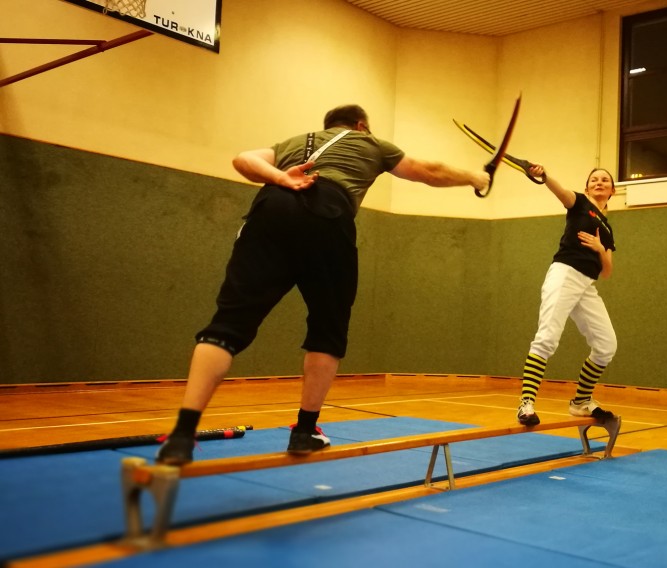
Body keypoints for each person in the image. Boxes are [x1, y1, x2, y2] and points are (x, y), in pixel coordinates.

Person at [156, 104, 489, 465]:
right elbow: (428, 171)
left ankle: (182, 434)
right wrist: (475, 177)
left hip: (269, 209)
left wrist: (282, 178)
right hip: (328, 214)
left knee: (228, 324)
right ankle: (305, 430)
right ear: (361, 126)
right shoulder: (371, 143)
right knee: (327, 328)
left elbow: (243, 159)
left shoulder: (294, 143)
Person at [516, 164, 618, 426]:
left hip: (587, 285)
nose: (599, 182)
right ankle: (526, 405)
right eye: (594, 179)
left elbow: (607, 270)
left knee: (606, 346)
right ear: (587, 187)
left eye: (604, 180)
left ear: (612, 190)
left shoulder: (606, 229)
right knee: (547, 337)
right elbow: (560, 192)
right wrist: (545, 175)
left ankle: (581, 402)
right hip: (564, 273)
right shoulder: (580, 203)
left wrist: (598, 247)